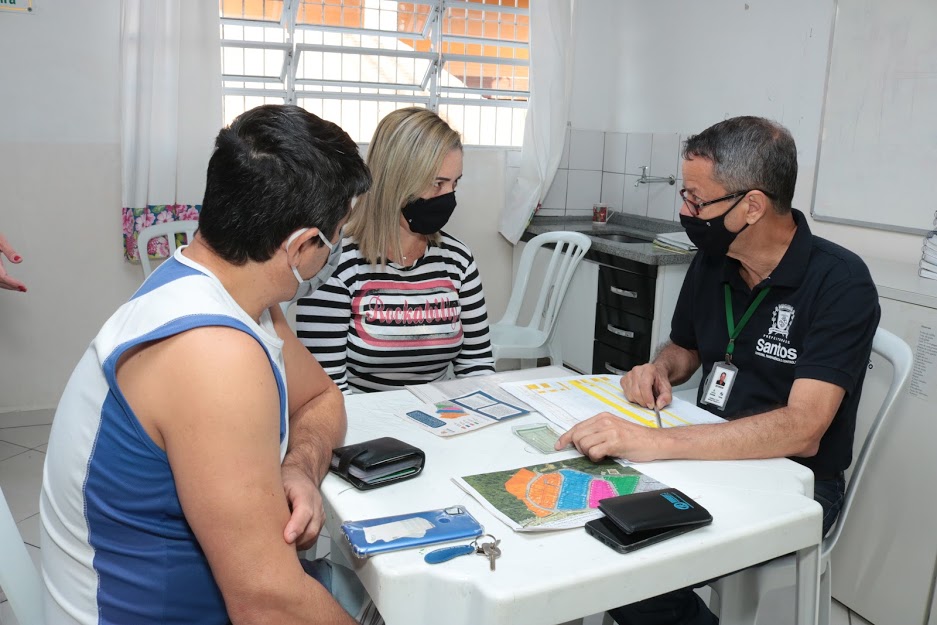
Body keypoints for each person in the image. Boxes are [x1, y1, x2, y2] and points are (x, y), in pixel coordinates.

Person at [40, 105, 377, 624]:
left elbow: (320, 397)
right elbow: (267, 606)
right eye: (334, 236)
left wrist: (300, 466)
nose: (333, 252)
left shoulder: (228, 289)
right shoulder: (213, 354)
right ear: (301, 246)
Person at [556, 116, 880, 625]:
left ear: (752, 206)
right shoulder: (715, 258)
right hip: (706, 453)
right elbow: (685, 348)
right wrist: (659, 367)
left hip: (796, 482)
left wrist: (655, 442)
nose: (685, 211)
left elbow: (804, 430)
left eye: (697, 200)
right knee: (592, 535)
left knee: (636, 572)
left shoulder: (840, 282)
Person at [295, 107, 495, 393]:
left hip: (441, 412)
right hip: (360, 414)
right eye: (437, 183)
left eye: (455, 183)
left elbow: (477, 365)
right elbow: (326, 387)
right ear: (397, 181)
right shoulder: (333, 263)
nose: (448, 197)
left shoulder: (458, 260)